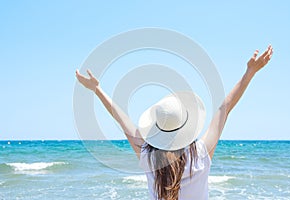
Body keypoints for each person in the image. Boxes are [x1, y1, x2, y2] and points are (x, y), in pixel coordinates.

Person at [76, 45, 273, 200]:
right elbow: (225, 108)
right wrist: (250, 72)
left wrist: (97, 90)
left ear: (157, 127)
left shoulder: (148, 157)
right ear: (187, 125)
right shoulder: (201, 155)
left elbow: (121, 119)